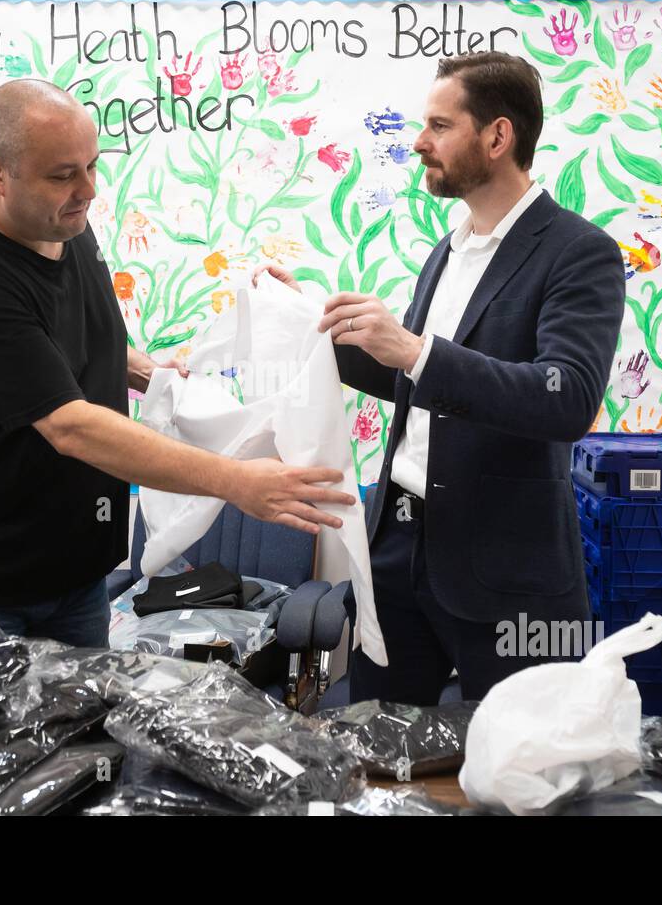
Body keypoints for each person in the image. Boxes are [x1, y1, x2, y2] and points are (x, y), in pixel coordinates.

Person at [0, 79, 354, 646]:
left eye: (92, 166)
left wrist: (148, 373)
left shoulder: (64, 226)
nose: (88, 190)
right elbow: (69, 425)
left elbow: (63, 348)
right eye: (62, 175)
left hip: (74, 568)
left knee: (82, 728)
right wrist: (234, 481)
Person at [257, 53, 625, 704]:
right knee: (382, 744)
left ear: (497, 137)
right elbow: (417, 379)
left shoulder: (579, 251)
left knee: (521, 766)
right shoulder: (448, 248)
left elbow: (565, 397)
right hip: (398, 545)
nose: (419, 142)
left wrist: (414, 349)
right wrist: (307, 324)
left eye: (438, 124)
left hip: (504, 568)